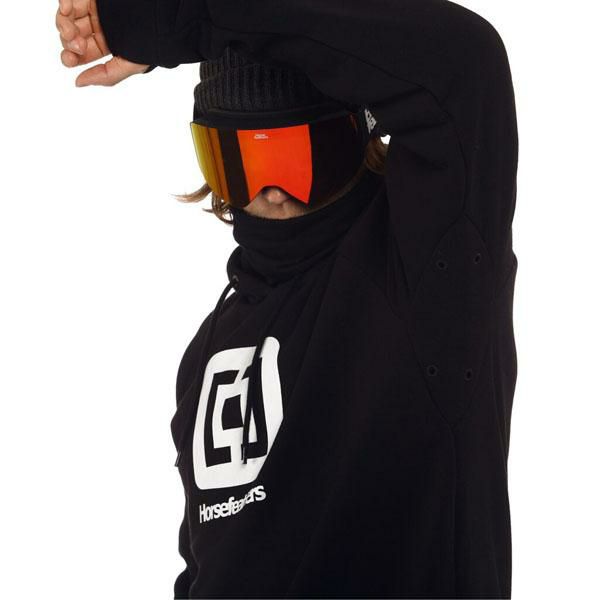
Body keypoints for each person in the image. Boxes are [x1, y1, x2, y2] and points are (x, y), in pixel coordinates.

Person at [56, 1, 519, 598]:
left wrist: (188, 16)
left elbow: (462, 62)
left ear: (356, 138)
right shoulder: (210, 349)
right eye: (243, 162)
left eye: (300, 156)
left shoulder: (427, 272)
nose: (272, 191)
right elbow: (209, 565)